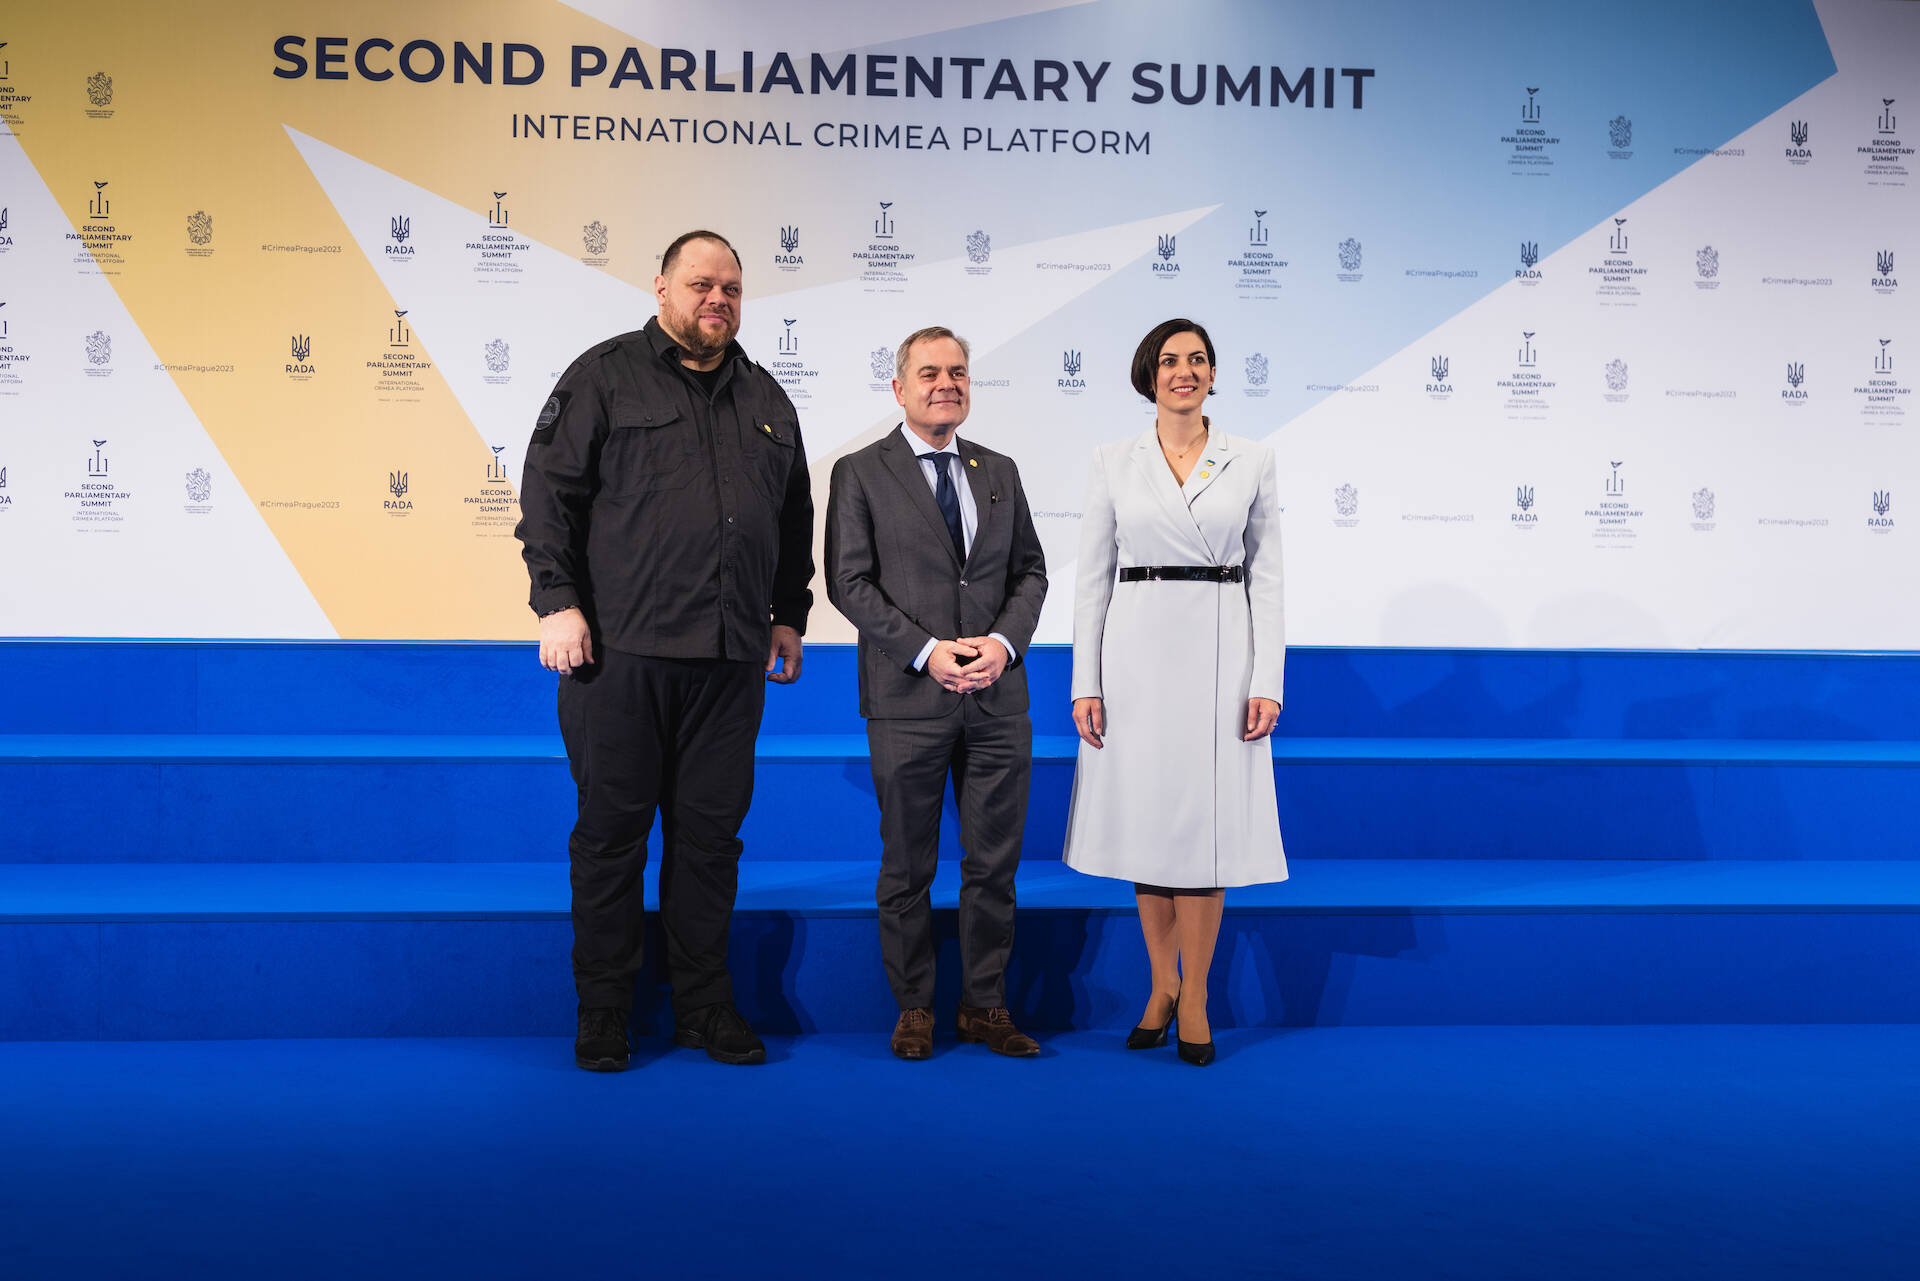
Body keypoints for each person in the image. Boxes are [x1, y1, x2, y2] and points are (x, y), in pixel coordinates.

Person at [516, 229, 814, 1072]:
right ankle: (605, 1011)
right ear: (661, 289)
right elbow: (549, 496)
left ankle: (704, 1007)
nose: (717, 299)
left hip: (729, 660)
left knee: (710, 844)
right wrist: (557, 602)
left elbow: (794, 516)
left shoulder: (767, 397)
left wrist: (788, 613)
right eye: (700, 284)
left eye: (731, 288)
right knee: (611, 839)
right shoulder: (603, 375)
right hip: (620, 657)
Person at [1062, 317, 1287, 1067]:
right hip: (1136, 653)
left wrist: (1267, 679)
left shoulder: (1252, 459)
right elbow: (1092, 579)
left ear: (1214, 374)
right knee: (1149, 824)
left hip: (1221, 654)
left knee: (1205, 832)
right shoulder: (1112, 460)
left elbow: (1269, 578)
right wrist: (1086, 682)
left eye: (1196, 359)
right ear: (1148, 375)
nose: (1182, 371)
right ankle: (1162, 984)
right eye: (1169, 360)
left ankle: (1196, 998)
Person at [825, 326, 1049, 1060]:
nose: (945, 383)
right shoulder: (861, 471)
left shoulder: (999, 469)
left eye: (957, 371)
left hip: (996, 696)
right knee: (907, 867)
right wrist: (927, 652)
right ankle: (914, 1007)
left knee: (994, 866)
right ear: (899, 388)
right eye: (929, 373)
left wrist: (1003, 644)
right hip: (907, 698)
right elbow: (848, 581)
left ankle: (985, 1005)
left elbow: (1030, 572)